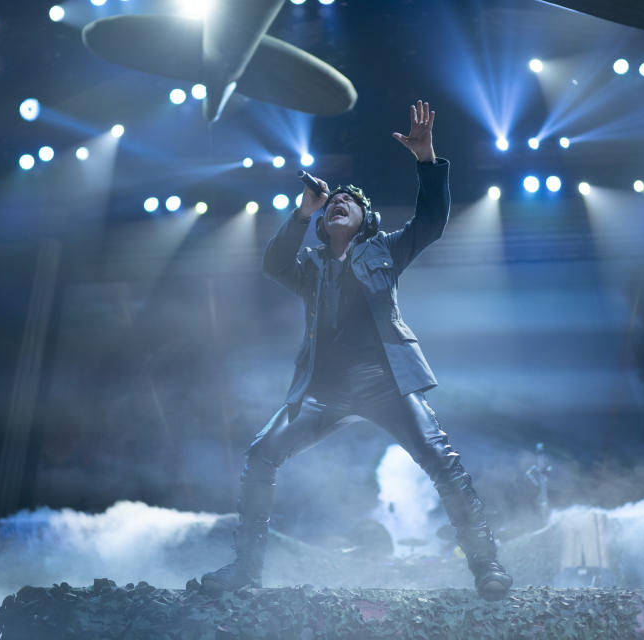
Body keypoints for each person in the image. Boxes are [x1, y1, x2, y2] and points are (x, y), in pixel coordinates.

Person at [199, 100, 512, 600]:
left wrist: (427, 158)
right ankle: (245, 570)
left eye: (350, 199)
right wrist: (303, 211)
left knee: (443, 462)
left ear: (366, 217)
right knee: (261, 454)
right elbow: (274, 263)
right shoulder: (310, 264)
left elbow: (431, 219)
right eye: (333, 201)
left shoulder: (385, 249)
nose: (339, 201)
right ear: (324, 222)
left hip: (388, 381)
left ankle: (487, 567)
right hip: (324, 390)